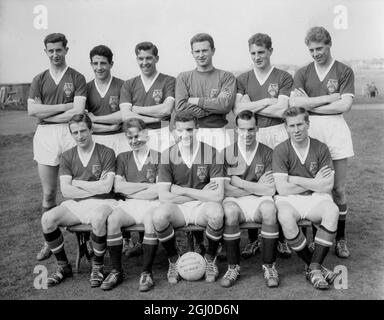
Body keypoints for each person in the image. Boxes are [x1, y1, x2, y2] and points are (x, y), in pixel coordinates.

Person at [290, 26, 355, 258]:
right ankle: (310, 238)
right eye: (311, 50)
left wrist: (311, 103)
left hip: (336, 130)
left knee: (338, 189)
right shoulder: (302, 72)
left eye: (319, 48)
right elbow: (296, 105)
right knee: (311, 186)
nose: (316, 53)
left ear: (329, 45)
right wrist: (329, 98)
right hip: (311, 130)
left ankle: (341, 238)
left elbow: (344, 105)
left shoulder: (344, 70)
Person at [233, 33, 294, 258]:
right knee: (252, 180)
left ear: (270, 51)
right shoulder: (243, 78)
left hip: (277, 133)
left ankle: (278, 238)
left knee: (275, 185)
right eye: (253, 53)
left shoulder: (284, 77)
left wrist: (253, 105)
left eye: (261, 52)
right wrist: (269, 101)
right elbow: (239, 112)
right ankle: (253, 239)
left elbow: (281, 111)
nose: (257, 57)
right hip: (252, 134)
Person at [27, 33, 87, 261]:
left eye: (58, 50)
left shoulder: (77, 77)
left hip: (72, 133)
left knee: (78, 188)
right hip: (45, 136)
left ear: (66, 50)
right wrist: (64, 107)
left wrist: (47, 113)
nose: (55, 54)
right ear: (46, 52)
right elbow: (32, 111)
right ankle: (48, 241)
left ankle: (87, 242)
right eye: (50, 51)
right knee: (50, 192)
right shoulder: (39, 79)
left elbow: (78, 112)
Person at [175, 33, 236, 252]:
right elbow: (181, 107)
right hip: (194, 134)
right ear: (192, 53)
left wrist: (198, 101)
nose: (201, 54)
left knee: (219, 186)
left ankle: (218, 238)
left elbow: (225, 105)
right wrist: (211, 105)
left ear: (213, 50)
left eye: (205, 50)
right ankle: (199, 237)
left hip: (219, 133)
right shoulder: (183, 77)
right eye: (197, 51)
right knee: (197, 183)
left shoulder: (226, 76)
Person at [41, 113, 116, 287]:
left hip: (104, 202)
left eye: (83, 131)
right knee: (47, 219)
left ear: (91, 130)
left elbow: (106, 188)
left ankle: (97, 266)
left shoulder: (106, 152)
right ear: (71, 134)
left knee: (98, 219)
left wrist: (78, 184)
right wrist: (93, 186)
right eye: (75, 133)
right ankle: (63, 266)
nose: (79, 136)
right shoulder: (67, 156)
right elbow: (66, 191)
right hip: (77, 204)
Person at [153, 111, 225, 284]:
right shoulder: (166, 155)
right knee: (159, 217)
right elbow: (164, 196)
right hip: (181, 208)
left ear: (197, 129)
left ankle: (210, 258)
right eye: (180, 130)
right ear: (174, 131)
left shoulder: (213, 152)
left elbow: (217, 195)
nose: (185, 135)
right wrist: (201, 194)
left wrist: (183, 191)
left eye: (189, 130)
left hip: (202, 207)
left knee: (217, 213)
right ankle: (173, 259)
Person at [273, 107, 338, 290]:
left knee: (332, 210)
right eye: (291, 126)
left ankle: (313, 268)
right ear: (286, 128)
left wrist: (294, 178)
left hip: (316, 197)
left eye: (300, 124)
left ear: (308, 124)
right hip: (290, 199)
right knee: (285, 217)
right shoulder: (281, 150)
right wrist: (313, 181)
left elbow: (326, 186)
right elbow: (282, 188)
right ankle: (315, 268)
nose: (296, 129)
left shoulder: (320, 147)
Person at [101, 119, 161, 292]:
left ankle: (147, 272)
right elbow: (118, 187)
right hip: (130, 204)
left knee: (151, 220)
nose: (134, 141)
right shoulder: (123, 157)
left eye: (137, 136)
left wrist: (131, 189)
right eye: (130, 138)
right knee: (113, 220)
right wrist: (145, 187)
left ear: (146, 134)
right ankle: (117, 271)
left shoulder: (159, 156)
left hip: (152, 203)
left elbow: (157, 191)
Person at [221, 110, 279, 288]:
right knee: (229, 212)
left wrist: (239, 182)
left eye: (251, 129)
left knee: (270, 210)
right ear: (236, 129)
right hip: (236, 201)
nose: (247, 134)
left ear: (257, 129)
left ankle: (269, 267)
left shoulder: (268, 152)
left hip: (261, 201)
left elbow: (271, 188)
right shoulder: (226, 152)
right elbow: (225, 190)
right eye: (243, 129)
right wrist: (255, 188)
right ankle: (233, 267)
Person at [119, 41, 176, 153]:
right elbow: (126, 116)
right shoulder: (129, 84)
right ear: (137, 59)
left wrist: (136, 110)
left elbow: (166, 109)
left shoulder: (169, 81)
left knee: (162, 168)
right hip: (136, 134)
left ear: (157, 58)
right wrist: (155, 118)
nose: (144, 62)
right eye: (141, 58)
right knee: (140, 168)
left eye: (148, 58)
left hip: (161, 133)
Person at [85, 44, 127, 156]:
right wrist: (110, 126)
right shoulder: (86, 88)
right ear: (91, 64)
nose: (99, 67)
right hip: (94, 139)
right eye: (95, 63)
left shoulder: (123, 85)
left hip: (120, 139)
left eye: (103, 63)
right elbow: (85, 123)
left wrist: (95, 118)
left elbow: (124, 115)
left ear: (111, 64)